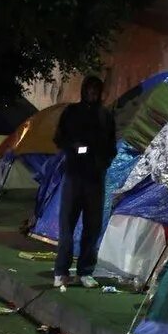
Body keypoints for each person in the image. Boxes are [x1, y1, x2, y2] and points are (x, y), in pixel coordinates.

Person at [52, 76, 116, 291]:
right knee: (67, 225)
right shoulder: (72, 113)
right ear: (83, 90)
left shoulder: (105, 116)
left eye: (96, 90)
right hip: (74, 176)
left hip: (95, 179)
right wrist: (76, 148)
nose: (92, 93)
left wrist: (102, 161)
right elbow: (60, 139)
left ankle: (85, 271)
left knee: (93, 226)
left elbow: (111, 145)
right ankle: (61, 271)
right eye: (89, 89)